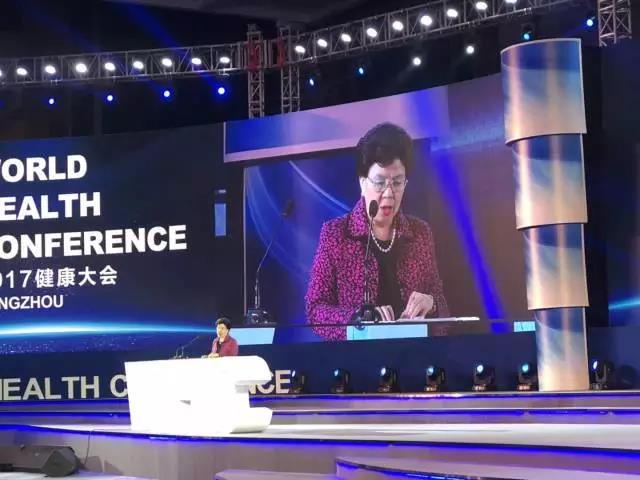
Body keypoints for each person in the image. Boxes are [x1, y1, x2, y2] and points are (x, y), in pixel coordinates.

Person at [305, 122, 449, 341]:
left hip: (414, 353)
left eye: (397, 183)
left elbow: (442, 304)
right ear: (363, 183)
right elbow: (315, 310)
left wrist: (432, 304)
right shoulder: (336, 234)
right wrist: (356, 319)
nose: (389, 194)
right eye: (380, 183)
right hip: (359, 357)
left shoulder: (420, 233)